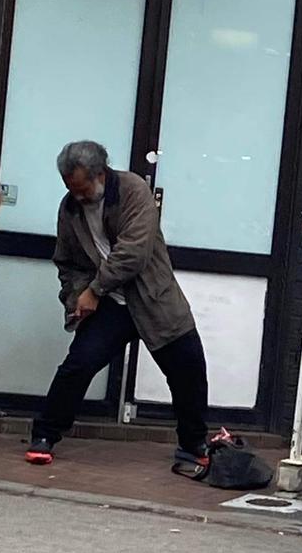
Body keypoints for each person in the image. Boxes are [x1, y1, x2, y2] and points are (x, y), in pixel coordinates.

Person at [26, 141, 210, 477]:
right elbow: (66, 261)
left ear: (100, 174)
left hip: (154, 298)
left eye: (81, 187)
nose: (76, 195)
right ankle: (44, 433)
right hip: (111, 305)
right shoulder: (69, 208)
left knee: (188, 370)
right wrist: (76, 295)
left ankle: (193, 444)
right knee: (78, 365)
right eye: (69, 187)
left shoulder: (134, 190)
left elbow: (133, 253)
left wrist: (94, 290)